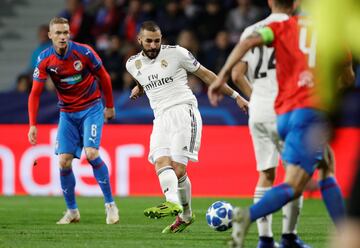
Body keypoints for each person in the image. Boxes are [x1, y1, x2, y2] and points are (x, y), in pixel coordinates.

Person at [208, 0, 352, 247]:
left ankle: (267, 239)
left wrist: (221, 78)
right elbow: (347, 75)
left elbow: (241, 61)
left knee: (270, 173)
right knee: (298, 180)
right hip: (303, 110)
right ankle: (280, 231)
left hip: (268, 108)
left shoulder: (276, 29)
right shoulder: (326, 28)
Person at [125, 21, 248, 233]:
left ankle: (177, 207)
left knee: (178, 169)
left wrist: (236, 96)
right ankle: (182, 212)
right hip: (160, 118)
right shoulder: (132, 64)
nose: (153, 45)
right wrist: (138, 88)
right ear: (140, 40)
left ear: (161, 38)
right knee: (161, 163)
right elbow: (146, 79)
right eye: (149, 41)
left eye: (157, 41)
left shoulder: (177, 53)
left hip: (184, 111)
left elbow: (207, 75)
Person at [230, 0, 308, 247]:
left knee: (266, 173)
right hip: (289, 107)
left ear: (269, 2)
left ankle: (265, 239)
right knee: (295, 175)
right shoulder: (298, 28)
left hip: (260, 109)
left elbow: (236, 74)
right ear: (295, 3)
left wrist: (257, 99)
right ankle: (289, 236)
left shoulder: (251, 30)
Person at [27, 17, 119, 225]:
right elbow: (34, 94)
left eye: (65, 32)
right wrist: (32, 124)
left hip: (91, 108)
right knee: (63, 161)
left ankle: (110, 205)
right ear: (50, 36)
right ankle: (72, 211)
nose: (62, 37)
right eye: (58, 33)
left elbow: (104, 76)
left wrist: (110, 105)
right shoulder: (44, 59)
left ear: (70, 34)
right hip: (67, 113)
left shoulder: (83, 52)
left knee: (92, 152)